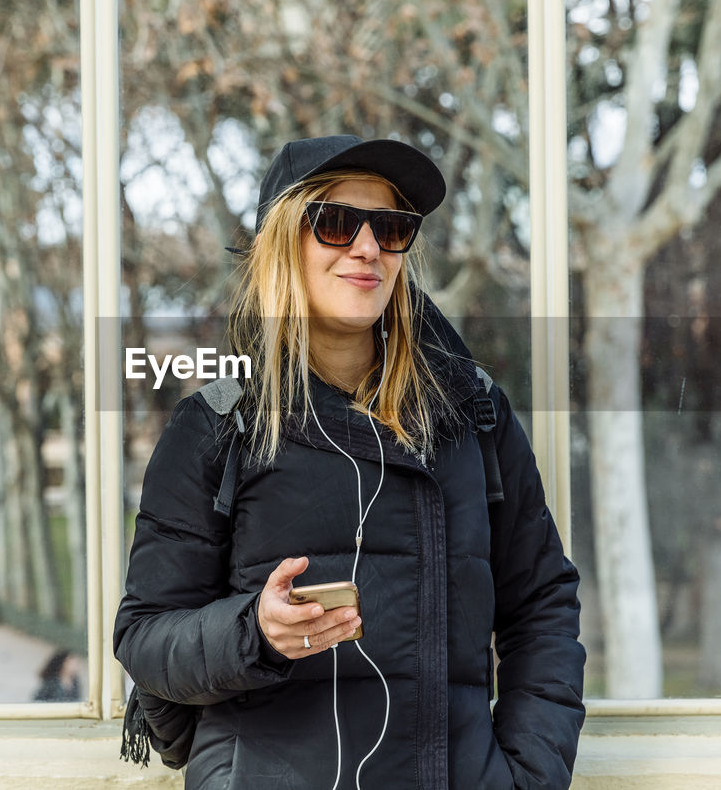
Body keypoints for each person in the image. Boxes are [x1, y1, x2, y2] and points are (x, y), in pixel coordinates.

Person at [114, 135, 586, 789]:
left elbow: (542, 604)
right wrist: (256, 632)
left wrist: (527, 775)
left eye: (391, 229)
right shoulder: (216, 427)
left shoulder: (474, 415)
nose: (367, 247)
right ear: (284, 241)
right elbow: (145, 638)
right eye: (335, 223)